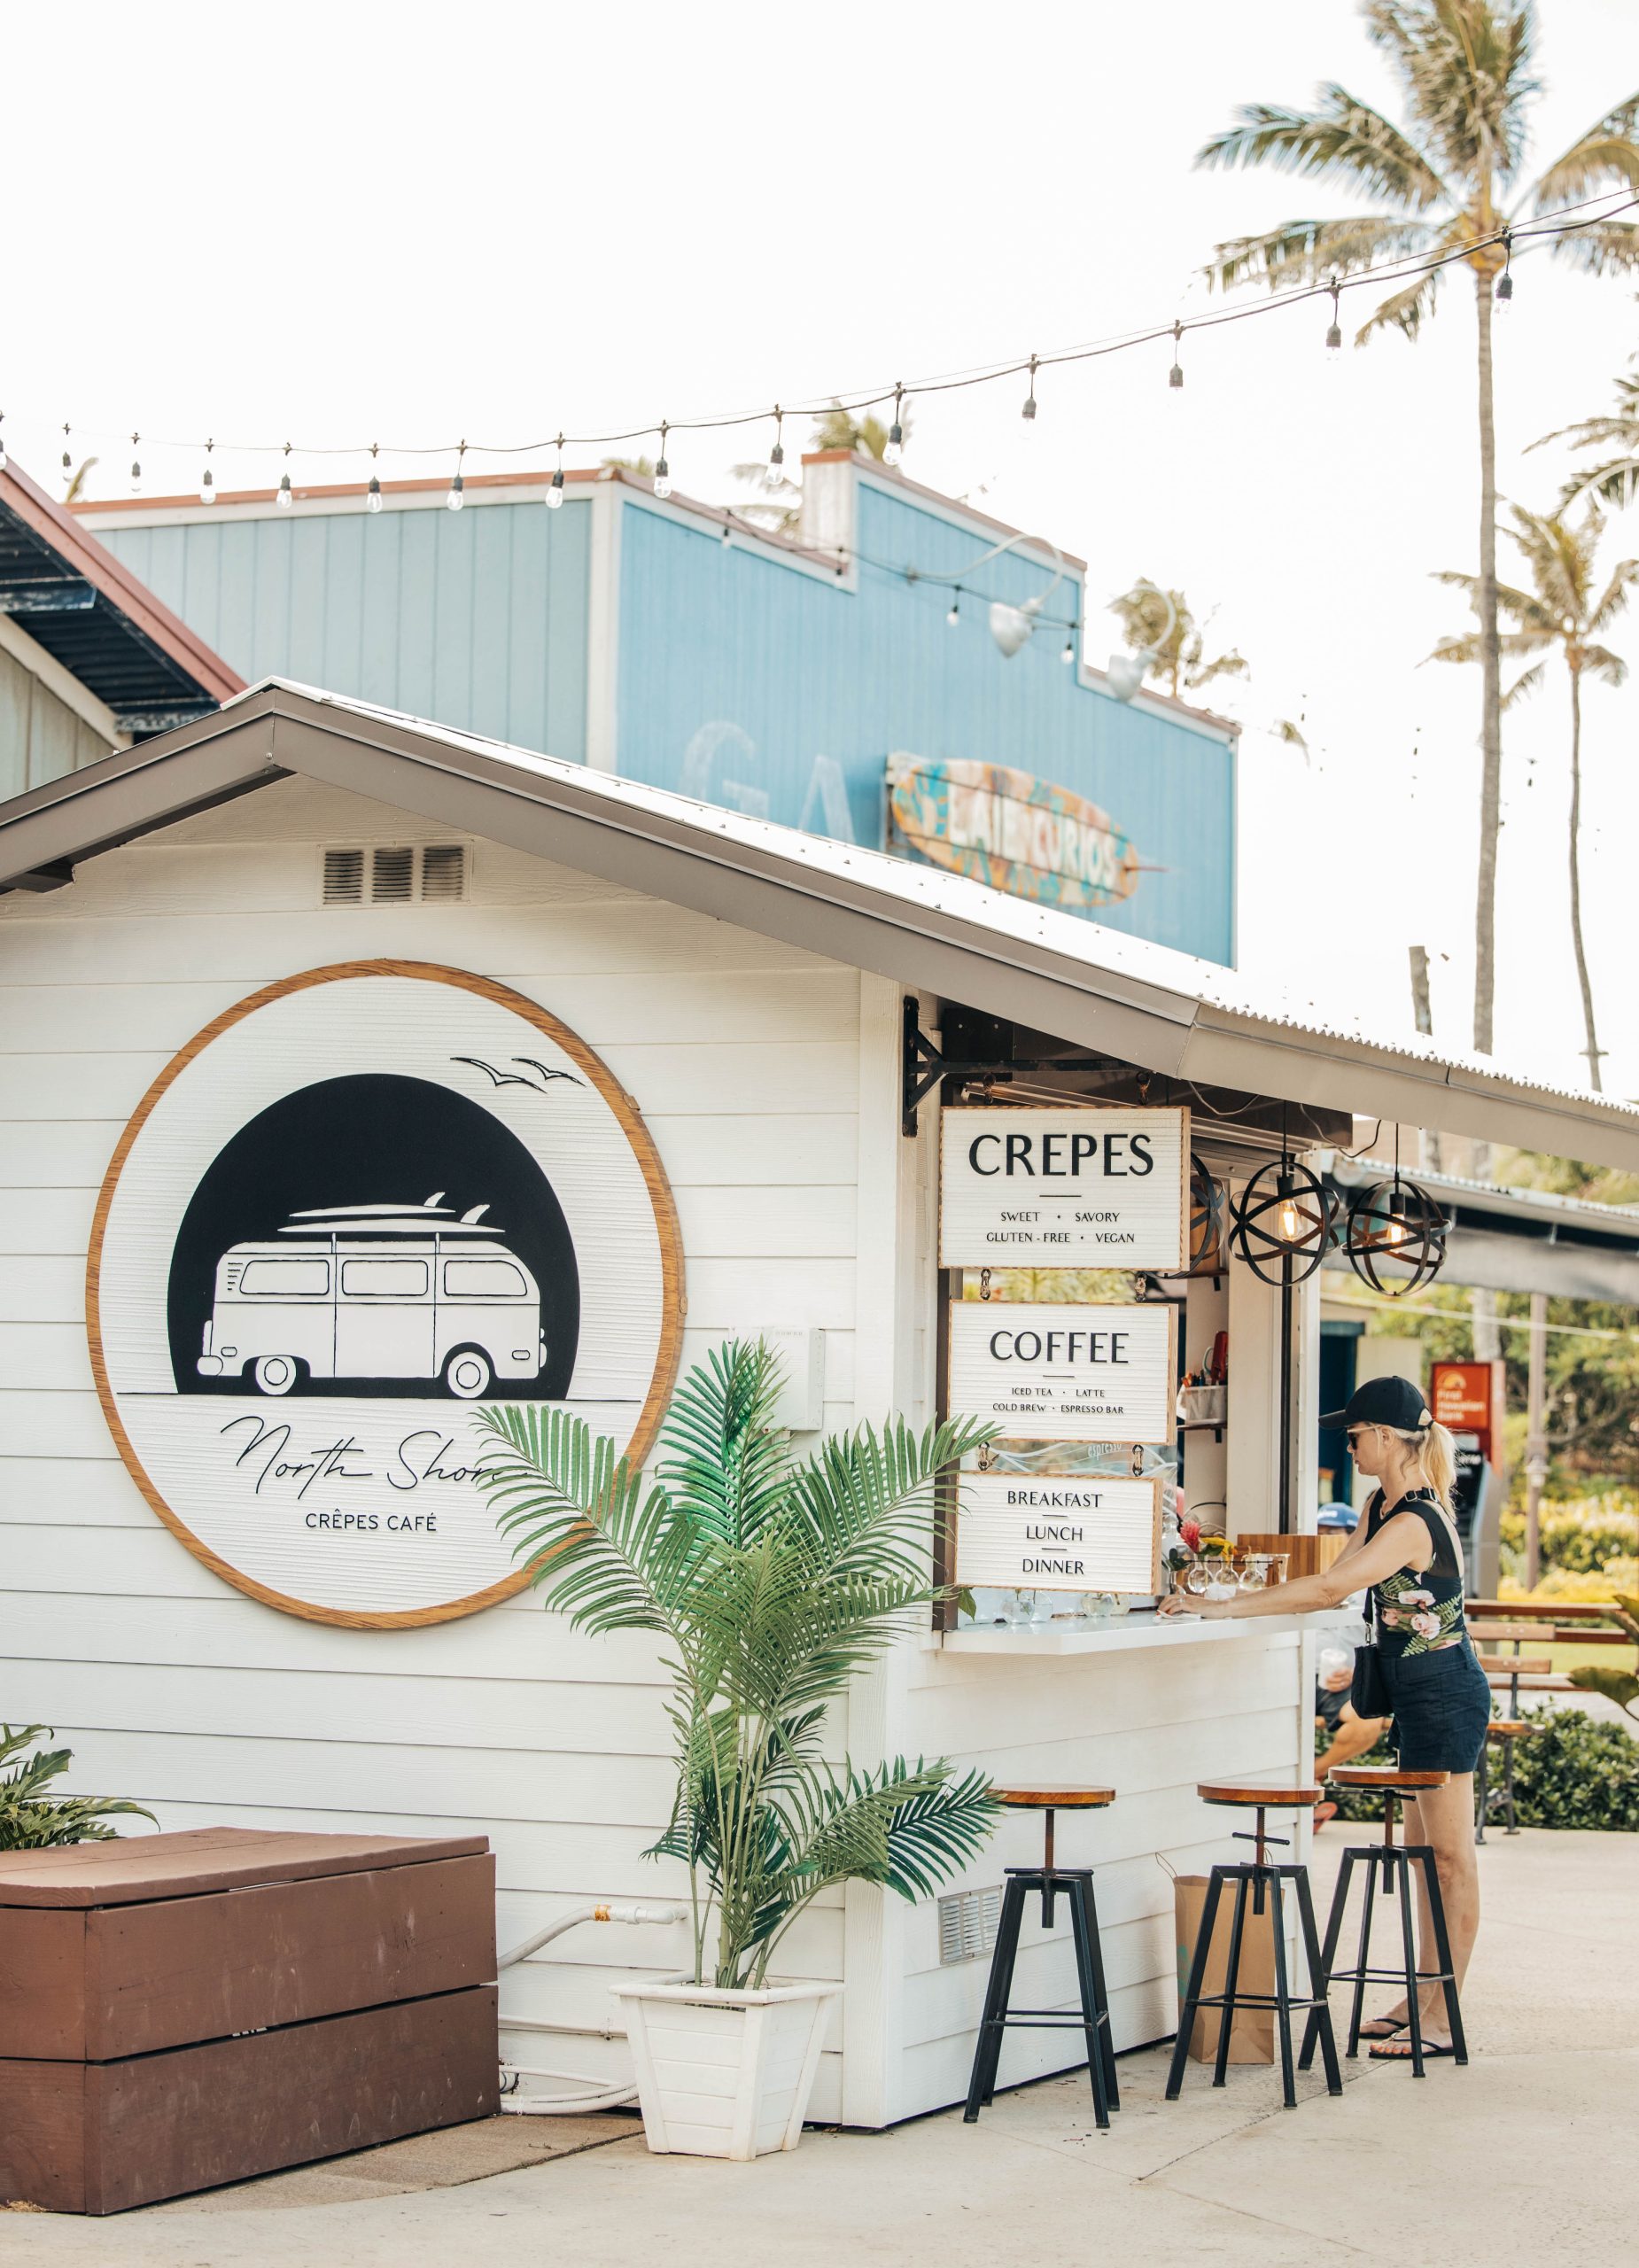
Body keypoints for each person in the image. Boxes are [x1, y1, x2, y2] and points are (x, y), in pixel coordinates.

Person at [1161, 1375, 1490, 2060]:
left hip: (1445, 1692)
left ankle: (1440, 2017)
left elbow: (1336, 1586)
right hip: (1414, 1691)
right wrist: (1225, 1589)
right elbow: (1334, 1584)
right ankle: (1421, 1996)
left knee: (1451, 1863)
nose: (1349, 1443)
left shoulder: (1413, 1520)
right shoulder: (1380, 1505)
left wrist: (1220, 1607)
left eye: (1355, 1433)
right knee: (1426, 1860)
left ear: (1387, 1438)